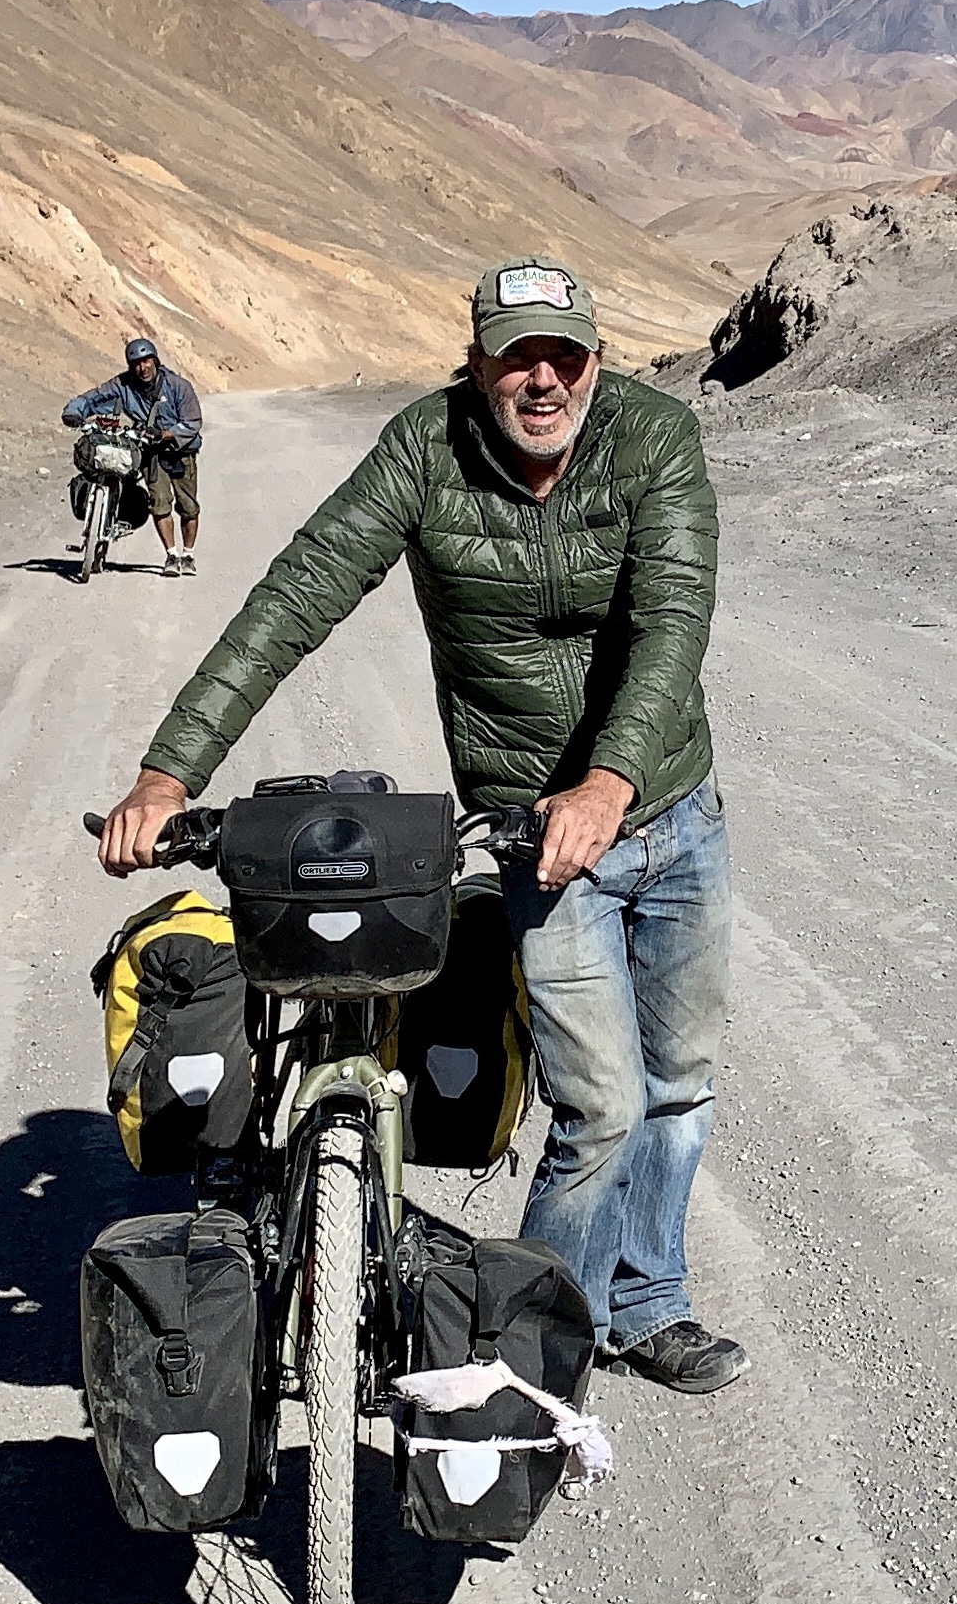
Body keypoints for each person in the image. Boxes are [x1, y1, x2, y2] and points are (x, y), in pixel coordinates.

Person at [94, 258, 747, 1395]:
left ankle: (648, 1305)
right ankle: (532, 1354)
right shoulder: (424, 449)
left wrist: (612, 782)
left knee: (680, 1086)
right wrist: (168, 770)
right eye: (515, 355)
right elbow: (298, 594)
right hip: (532, 834)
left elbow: (671, 621)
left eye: (565, 355)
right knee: (599, 1104)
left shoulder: (653, 437)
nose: (541, 380)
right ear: (478, 360)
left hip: (670, 809)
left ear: (596, 356)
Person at [62, 336, 204, 574]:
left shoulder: (179, 386)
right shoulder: (123, 385)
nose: (142, 368)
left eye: (147, 361)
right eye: (136, 363)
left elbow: (192, 422)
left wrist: (167, 434)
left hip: (181, 452)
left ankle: (188, 555)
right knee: (159, 504)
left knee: (188, 507)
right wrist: (74, 413)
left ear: (155, 361)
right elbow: (94, 397)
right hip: (151, 453)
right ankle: (172, 555)